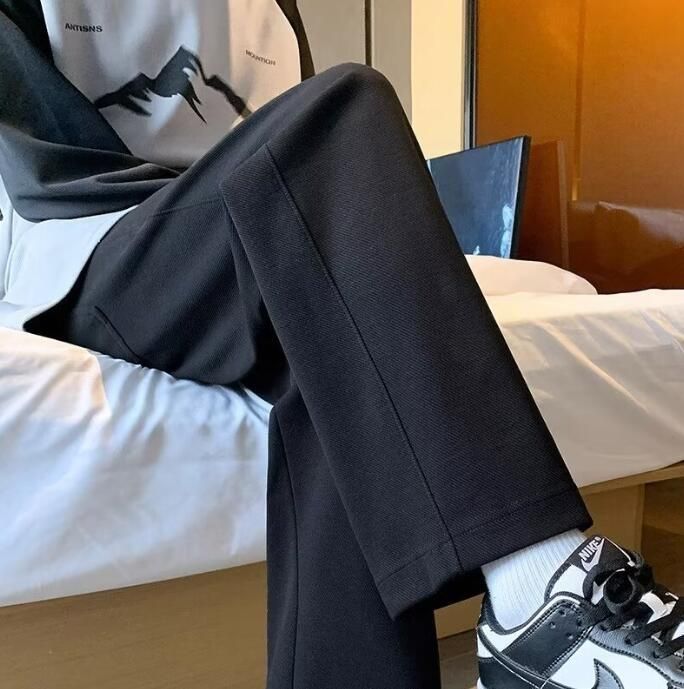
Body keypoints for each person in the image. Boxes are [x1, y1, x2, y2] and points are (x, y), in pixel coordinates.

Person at [1, 3, 682, 688]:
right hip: (98, 243)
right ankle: (536, 594)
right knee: (343, 113)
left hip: (253, 220)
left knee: (347, 344)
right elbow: (48, 169)